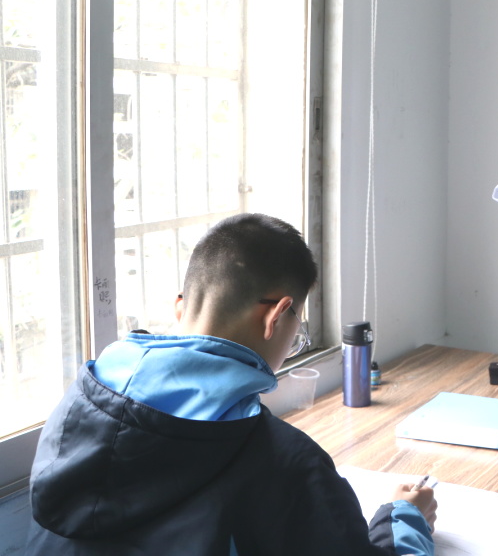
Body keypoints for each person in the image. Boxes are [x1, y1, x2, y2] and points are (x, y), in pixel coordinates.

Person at [25, 213, 437, 556]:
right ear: (277, 316)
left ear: (181, 308)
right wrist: (404, 517)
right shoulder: (285, 461)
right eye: (297, 330)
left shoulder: (78, 407)